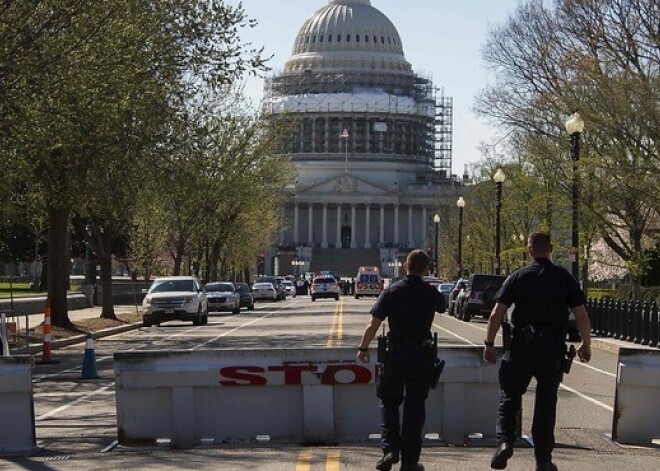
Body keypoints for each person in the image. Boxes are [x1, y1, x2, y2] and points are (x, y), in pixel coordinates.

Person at [483, 232, 592, 471]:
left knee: (510, 396)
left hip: (521, 344)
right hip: (551, 347)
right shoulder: (564, 278)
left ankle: (505, 442)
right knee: (546, 402)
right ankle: (543, 459)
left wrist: (490, 344)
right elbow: (581, 314)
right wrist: (586, 343)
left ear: (529, 250)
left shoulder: (518, 276)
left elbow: (496, 313)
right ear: (551, 249)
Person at [357, 249, 446, 471]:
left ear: (405, 267)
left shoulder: (392, 291)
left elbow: (373, 324)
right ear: (427, 269)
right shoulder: (431, 293)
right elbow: (443, 306)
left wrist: (363, 347)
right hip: (421, 356)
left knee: (389, 403)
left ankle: (390, 450)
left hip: (395, 356)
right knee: (415, 408)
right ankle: (410, 461)